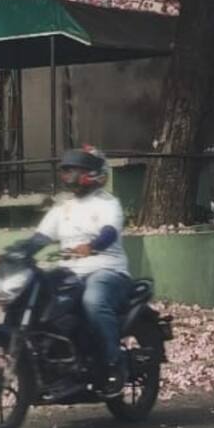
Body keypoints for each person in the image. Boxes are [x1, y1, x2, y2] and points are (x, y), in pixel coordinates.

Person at [31, 145, 135, 381]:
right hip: (71, 272)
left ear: (94, 173)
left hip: (107, 270)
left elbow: (109, 232)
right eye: (68, 170)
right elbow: (39, 238)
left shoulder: (108, 203)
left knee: (93, 301)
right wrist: (14, 253)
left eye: (77, 170)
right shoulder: (62, 208)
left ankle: (113, 362)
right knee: (35, 295)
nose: (70, 176)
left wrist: (92, 246)